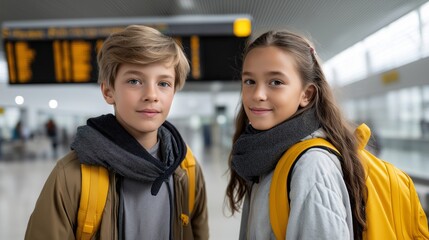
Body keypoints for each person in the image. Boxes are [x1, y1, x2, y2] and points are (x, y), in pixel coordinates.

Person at [25, 25, 209, 240]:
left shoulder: (186, 169)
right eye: (134, 81)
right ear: (108, 91)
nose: (151, 95)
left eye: (163, 83)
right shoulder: (71, 176)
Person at [225, 30, 366, 239]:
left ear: (306, 95)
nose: (257, 95)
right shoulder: (266, 155)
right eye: (249, 81)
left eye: (276, 82)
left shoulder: (312, 167)